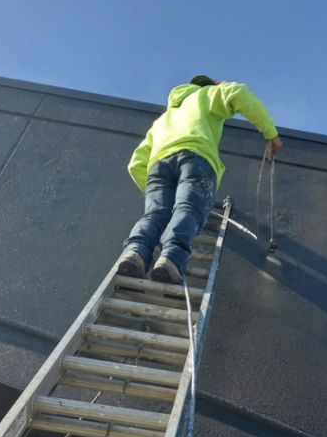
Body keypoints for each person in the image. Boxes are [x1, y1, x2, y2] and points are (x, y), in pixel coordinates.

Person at [119, 75, 283, 284]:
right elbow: (239, 93)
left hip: (158, 165)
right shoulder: (207, 95)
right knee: (187, 209)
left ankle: (135, 253)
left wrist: (160, 192)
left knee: (156, 213)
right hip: (196, 159)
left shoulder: (164, 119)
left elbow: (136, 163)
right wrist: (271, 133)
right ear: (211, 85)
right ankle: (170, 259)